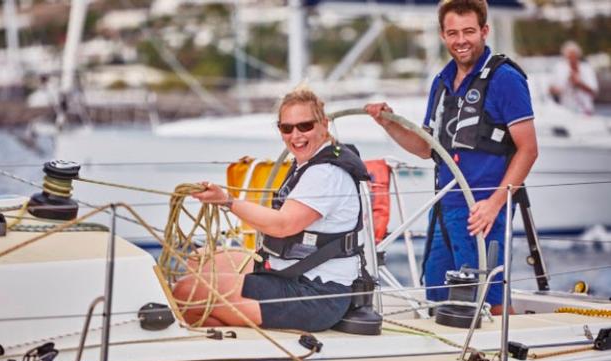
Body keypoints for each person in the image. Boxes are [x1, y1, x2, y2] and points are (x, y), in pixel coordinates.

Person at [365, 0, 538, 315]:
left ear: (484, 31)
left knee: (490, 301)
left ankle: (508, 354)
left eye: (469, 31)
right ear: (443, 35)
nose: (461, 40)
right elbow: (426, 147)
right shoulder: (441, 82)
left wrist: (494, 204)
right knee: (439, 297)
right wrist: (388, 122)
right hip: (444, 209)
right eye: (453, 32)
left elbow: (529, 149)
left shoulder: (506, 79)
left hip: (483, 211)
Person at [173, 86, 370, 331]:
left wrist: (227, 201)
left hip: (316, 294)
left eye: (305, 126)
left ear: (324, 125)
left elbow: (282, 225)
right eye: (286, 128)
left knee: (185, 291)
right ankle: (235, 325)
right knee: (198, 260)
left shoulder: (325, 173)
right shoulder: (308, 163)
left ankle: (235, 337)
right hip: (288, 271)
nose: (295, 135)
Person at [549, 40, 599, 115]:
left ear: (578, 55)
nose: (571, 59)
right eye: (569, 56)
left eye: (573, 56)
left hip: (585, 110)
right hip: (566, 110)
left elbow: (594, 91)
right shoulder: (559, 68)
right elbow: (551, 88)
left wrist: (579, 84)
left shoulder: (586, 68)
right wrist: (556, 90)